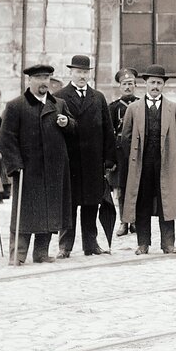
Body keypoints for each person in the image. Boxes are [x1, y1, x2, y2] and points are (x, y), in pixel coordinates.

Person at [0, 63, 76, 265]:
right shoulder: (16, 106)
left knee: (50, 212)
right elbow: (5, 139)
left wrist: (67, 123)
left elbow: (74, 129)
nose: (44, 82)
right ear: (30, 80)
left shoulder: (58, 104)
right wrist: (15, 165)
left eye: (47, 78)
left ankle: (41, 253)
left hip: (53, 169)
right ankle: (18, 254)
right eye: (39, 78)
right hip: (28, 170)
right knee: (24, 213)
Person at [121, 64, 176, 254]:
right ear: (145, 84)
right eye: (152, 82)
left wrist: (171, 155)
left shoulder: (172, 108)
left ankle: (168, 243)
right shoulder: (134, 108)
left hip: (165, 164)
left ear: (163, 85)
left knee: (167, 203)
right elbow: (126, 137)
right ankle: (143, 243)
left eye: (159, 82)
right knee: (143, 202)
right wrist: (135, 157)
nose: (155, 86)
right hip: (142, 164)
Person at [56, 54, 116, 257]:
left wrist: (109, 158)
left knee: (91, 204)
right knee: (69, 204)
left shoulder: (98, 97)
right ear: (70, 73)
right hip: (70, 162)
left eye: (85, 72)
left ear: (89, 74)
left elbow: (108, 129)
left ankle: (91, 245)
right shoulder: (60, 96)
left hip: (93, 161)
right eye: (78, 72)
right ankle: (65, 246)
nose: (82, 76)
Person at [107, 67, 139, 237]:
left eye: (131, 84)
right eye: (125, 84)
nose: (128, 87)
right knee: (121, 189)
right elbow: (108, 133)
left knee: (137, 187)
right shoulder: (113, 107)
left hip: (137, 151)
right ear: (120, 87)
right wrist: (110, 159)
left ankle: (135, 221)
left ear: (135, 86)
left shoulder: (141, 104)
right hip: (120, 154)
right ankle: (123, 222)